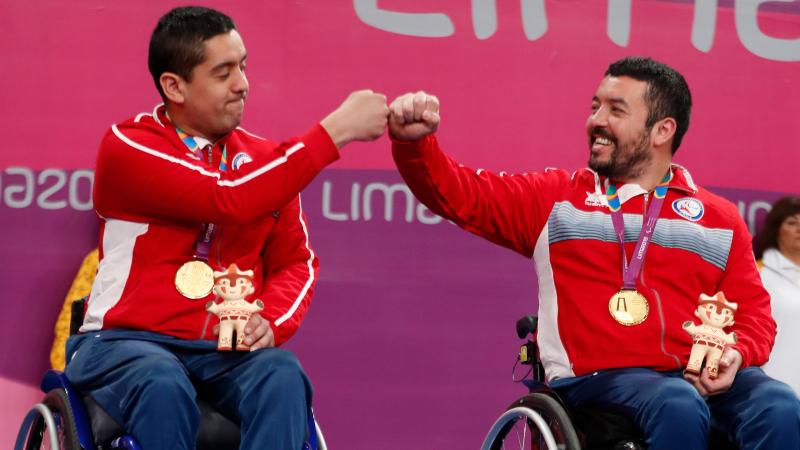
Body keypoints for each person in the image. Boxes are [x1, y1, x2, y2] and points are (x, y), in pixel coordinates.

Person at [388, 57, 800, 449]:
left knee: (779, 407)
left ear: (662, 131)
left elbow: (754, 316)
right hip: (600, 381)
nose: (596, 121)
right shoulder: (555, 200)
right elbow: (458, 194)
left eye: (615, 110)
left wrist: (735, 354)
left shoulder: (719, 218)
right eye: (595, 106)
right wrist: (414, 145)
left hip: (696, 379)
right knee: (677, 403)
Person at [64, 6, 389, 450]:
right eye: (223, 73)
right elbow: (228, 197)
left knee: (281, 373)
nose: (242, 84)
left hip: (224, 352)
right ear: (174, 86)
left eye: (243, 66)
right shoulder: (128, 146)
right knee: (162, 382)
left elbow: (297, 261)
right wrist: (335, 131)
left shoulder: (267, 164)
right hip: (124, 342)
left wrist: (271, 321)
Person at [757, 196, 800, 394]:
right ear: (776, 229)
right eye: (792, 222)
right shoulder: (757, 273)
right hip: (772, 390)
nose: (799, 229)